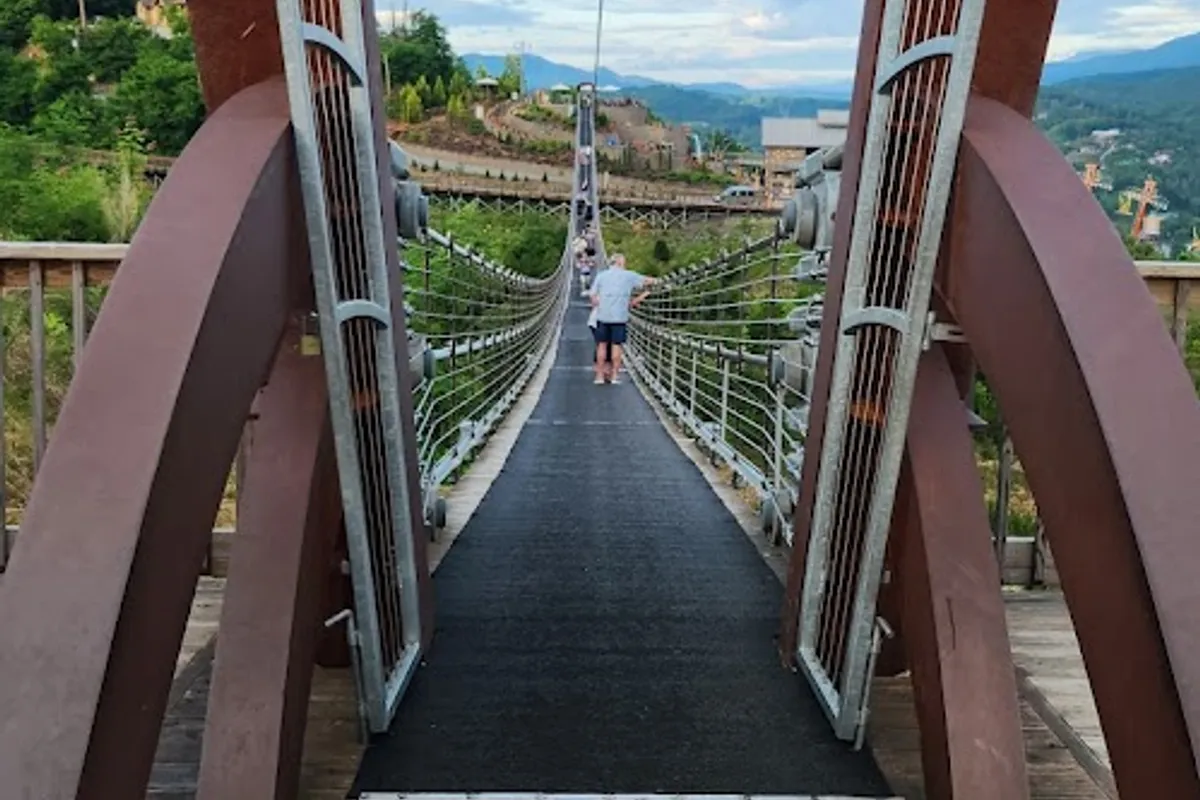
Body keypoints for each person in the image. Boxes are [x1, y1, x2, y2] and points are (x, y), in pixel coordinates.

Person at [587, 253, 656, 385]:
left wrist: (599, 304)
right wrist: (659, 281)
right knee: (616, 346)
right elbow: (647, 280)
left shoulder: (601, 275)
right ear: (619, 263)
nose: (625, 265)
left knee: (601, 345)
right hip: (619, 318)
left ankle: (599, 377)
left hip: (603, 316)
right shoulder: (628, 275)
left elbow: (593, 295)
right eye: (624, 263)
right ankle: (614, 376)